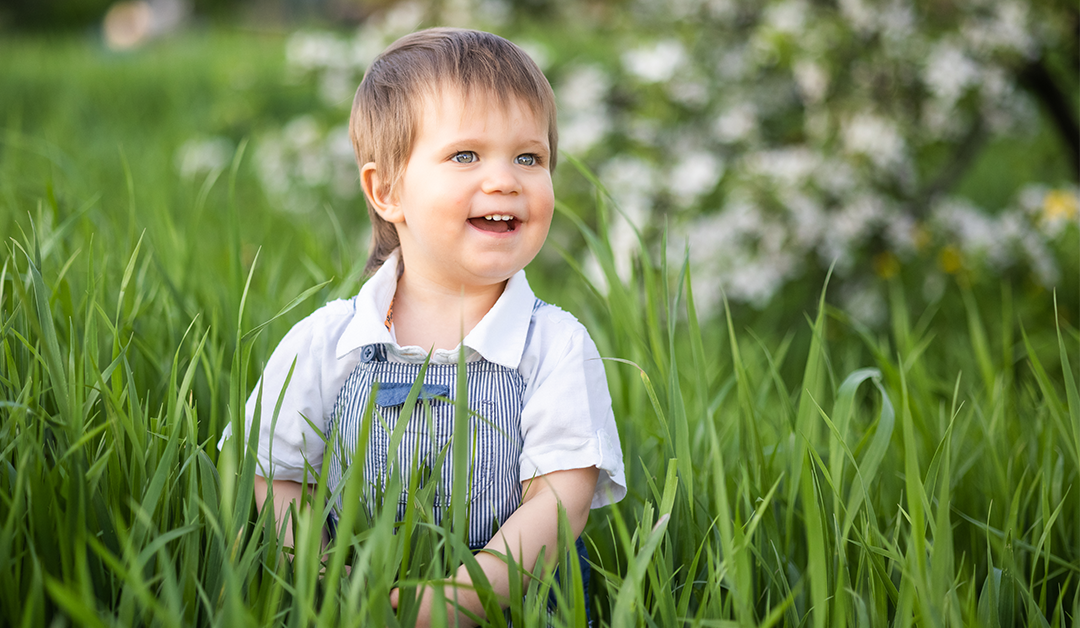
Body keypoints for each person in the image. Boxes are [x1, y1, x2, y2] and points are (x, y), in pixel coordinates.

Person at [221, 27, 626, 626]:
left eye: (529, 157)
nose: (505, 180)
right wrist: (329, 579)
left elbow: (562, 499)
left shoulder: (555, 345)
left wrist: (463, 598)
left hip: (521, 605)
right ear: (386, 190)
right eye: (466, 155)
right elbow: (277, 473)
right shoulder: (329, 342)